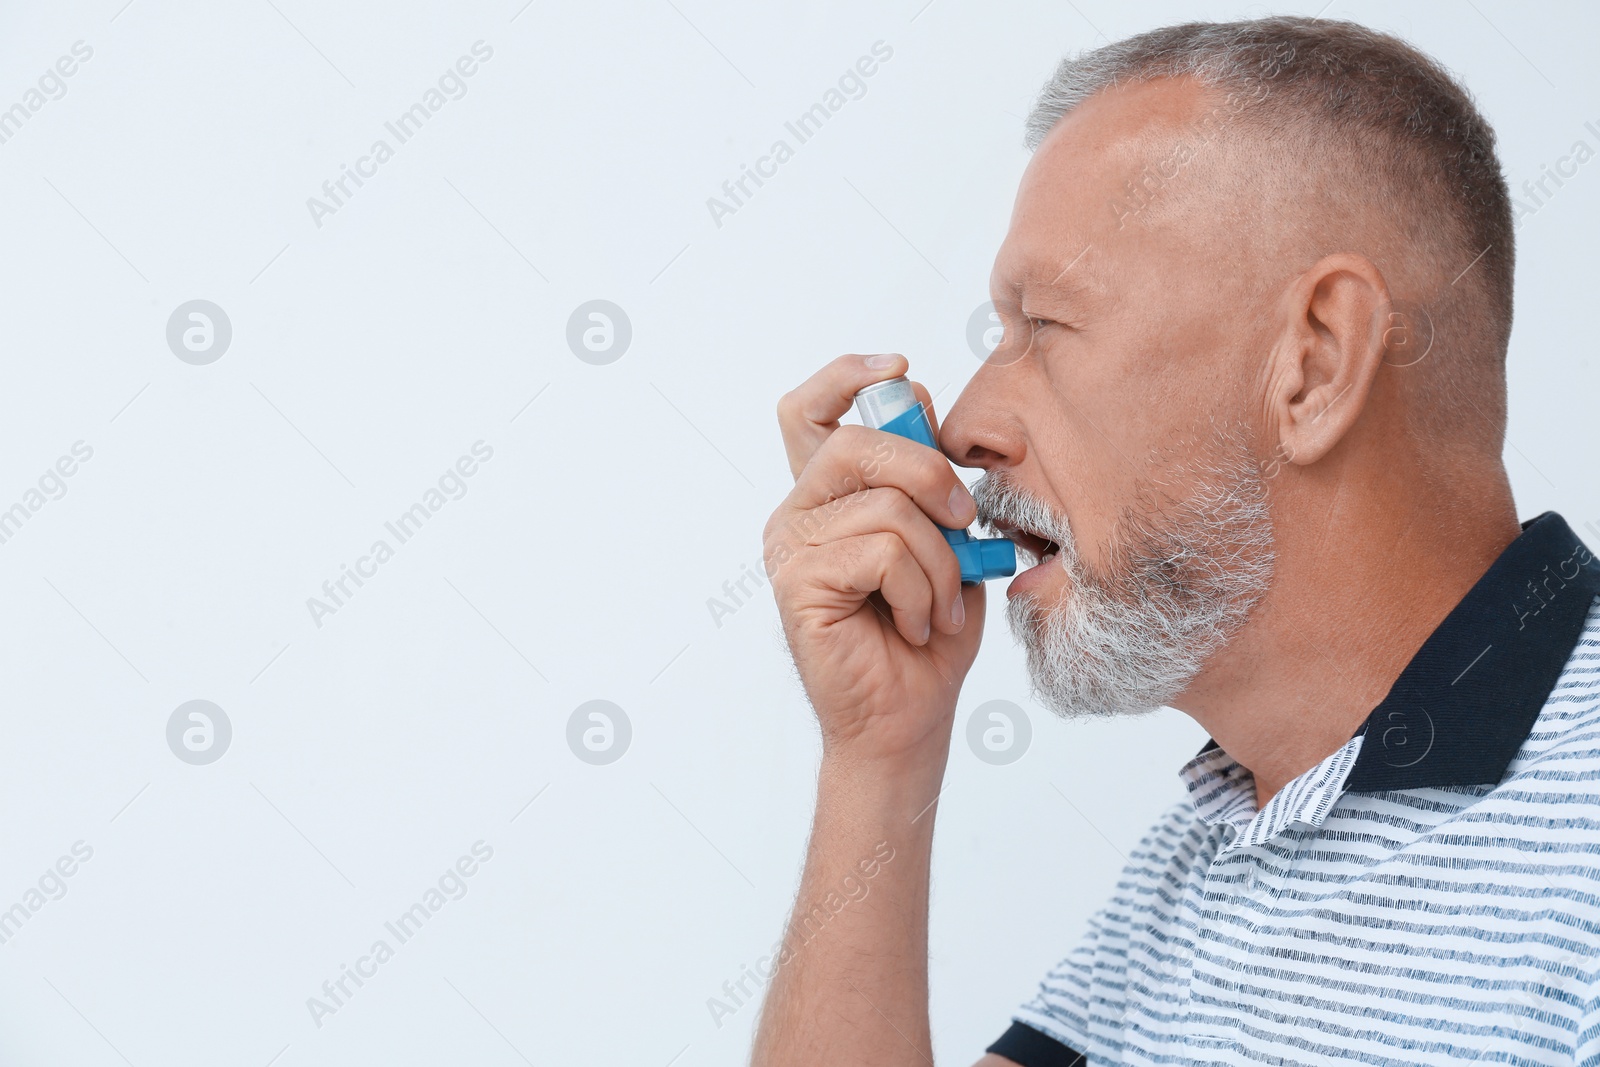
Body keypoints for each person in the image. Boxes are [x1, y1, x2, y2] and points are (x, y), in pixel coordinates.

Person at [752, 15, 1600, 1066]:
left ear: (1317, 367)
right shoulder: (1212, 848)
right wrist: (881, 750)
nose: (967, 421)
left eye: (1044, 327)